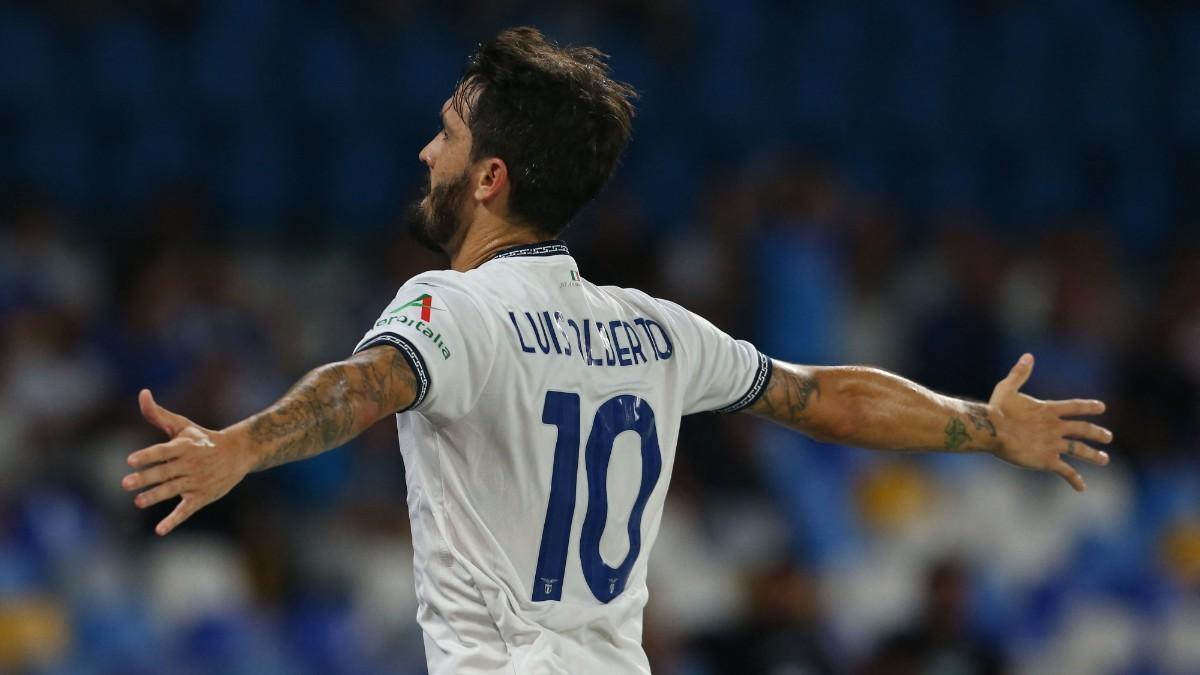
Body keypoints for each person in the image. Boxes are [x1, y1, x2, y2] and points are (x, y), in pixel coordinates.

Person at [120, 27, 1112, 675]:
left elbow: (363, 385)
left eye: (447, 134)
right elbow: (823, 397)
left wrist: (239, 448)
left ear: (491, 178)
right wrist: (981, 427)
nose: (428, 151)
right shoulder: (655, 329)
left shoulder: (452, 308)